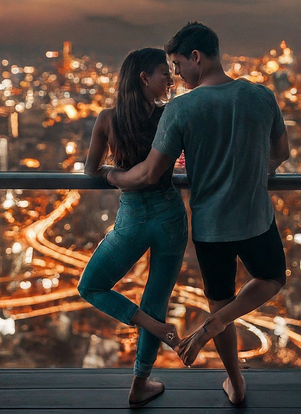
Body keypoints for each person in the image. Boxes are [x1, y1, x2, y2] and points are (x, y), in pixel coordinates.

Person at [107, 22, 289, 405]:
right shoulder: (261, 95)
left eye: (177, 65)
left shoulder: (181, 109)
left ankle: (236, 383)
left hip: (211, 226)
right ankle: (224, 320)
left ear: (196, 57)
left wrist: (113, 175)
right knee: (272, 277)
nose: (175, 75)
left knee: (218, 302)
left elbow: (151, 172)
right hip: (256, 216)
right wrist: (255, 169)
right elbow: (282, 153)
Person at [77, 48, 188, 408]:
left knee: (91, 285)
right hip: (170, 215)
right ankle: (139, 385)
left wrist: (112, 173)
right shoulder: (169, 116)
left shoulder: (107, 120)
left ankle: (149, 324)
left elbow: (91, 170)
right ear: (144, 78)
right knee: (157, 299)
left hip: (133, 218)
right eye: (163, 75)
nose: (170, 81)